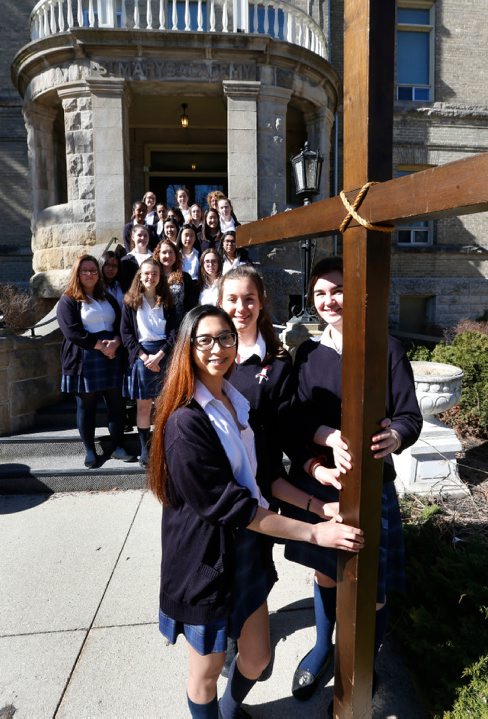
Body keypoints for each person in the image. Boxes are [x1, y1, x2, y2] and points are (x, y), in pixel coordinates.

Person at [148, 304, 364, 719]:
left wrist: (318, 508)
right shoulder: (184, 423)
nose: (218, 348)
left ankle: (228, 711)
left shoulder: (237, 403)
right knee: (207, 672)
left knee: (257, 659)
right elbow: (234, 506)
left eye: (226, 338)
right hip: (204, 561)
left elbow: (263, 478)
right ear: (187, 347)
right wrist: (315, 534)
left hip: (247, 550)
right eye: (206, 340)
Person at [283, 256, 423, 702]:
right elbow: (296, 416)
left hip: (371, 486)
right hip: (323, 485)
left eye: (338, 290)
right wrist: (328, 437)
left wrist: (395, 437)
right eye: (320, 293)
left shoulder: (387, 348)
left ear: (356, 294)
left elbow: (409, 416)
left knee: (372, 587)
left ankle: (362, 661)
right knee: (327, 573)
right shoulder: (306, 353)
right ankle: (323, 647)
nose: (329, 300)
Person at [218, 264, 295, 675]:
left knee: (256, 564)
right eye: (232, 299)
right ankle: (232, 642)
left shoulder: (280, 363)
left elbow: (290, 426)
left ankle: (253, 636)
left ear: (261, 302)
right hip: (218, 488)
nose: (240, 307)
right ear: (219, 303)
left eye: (248, 298)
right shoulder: (208, 355)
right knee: (225, 568)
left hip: (261, 486)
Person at [56, 254, 132, 469]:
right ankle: (90, 450)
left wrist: (116, 343)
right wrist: (101, 346)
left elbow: (120, 324)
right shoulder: (69, 299)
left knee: (116, 405)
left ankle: (118, 446)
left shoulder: (106, 298)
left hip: (111, 356)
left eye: (93, 270)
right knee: (86, 406)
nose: (90, 274)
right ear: (77, 274)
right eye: (85, 270)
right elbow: (72, 331)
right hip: (85, 358)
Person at [121, 259, 177, 467]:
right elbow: (126, 334)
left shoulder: (167, 301)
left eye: (154, 273)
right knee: (143, 408)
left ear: (159, 276)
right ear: (140, 276)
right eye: (146, 273)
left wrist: (160, 355)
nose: (150, 277)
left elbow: (173, 332)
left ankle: (163, 446)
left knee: (164, 407)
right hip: (141, 356)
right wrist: (144, 357)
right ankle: (145, 448)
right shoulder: (130, 301)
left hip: (163, 354)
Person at [153, 239, 198, 323]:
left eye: (171, 252)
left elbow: (191, 304)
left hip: (180, 325)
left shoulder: (185, 277)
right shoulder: (153, 277)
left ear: (176, 255)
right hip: (158, 326)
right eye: (164, 252)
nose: (168, 255)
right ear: (158, 255)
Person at [120, 224, 153, 293]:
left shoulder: (155, 258)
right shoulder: (126, 261)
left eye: (145, 236)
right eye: (139, 235)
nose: (143, 238)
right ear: (133, 237)